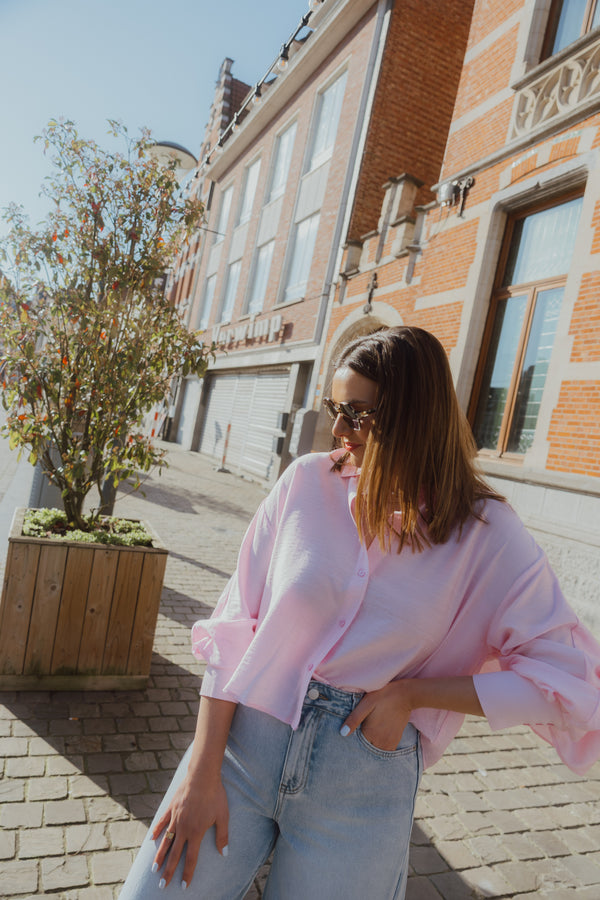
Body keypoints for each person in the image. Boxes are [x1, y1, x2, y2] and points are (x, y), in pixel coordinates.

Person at [119, 326, 600, 900]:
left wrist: (413, 696)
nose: (338, 430)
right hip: (244, 749)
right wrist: (201, 771)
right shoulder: (305, 483)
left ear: (413, 417)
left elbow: (568, 683)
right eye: (335, 409)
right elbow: (234, 626)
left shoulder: (485, 533)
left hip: (364, 780)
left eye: (357, 413)